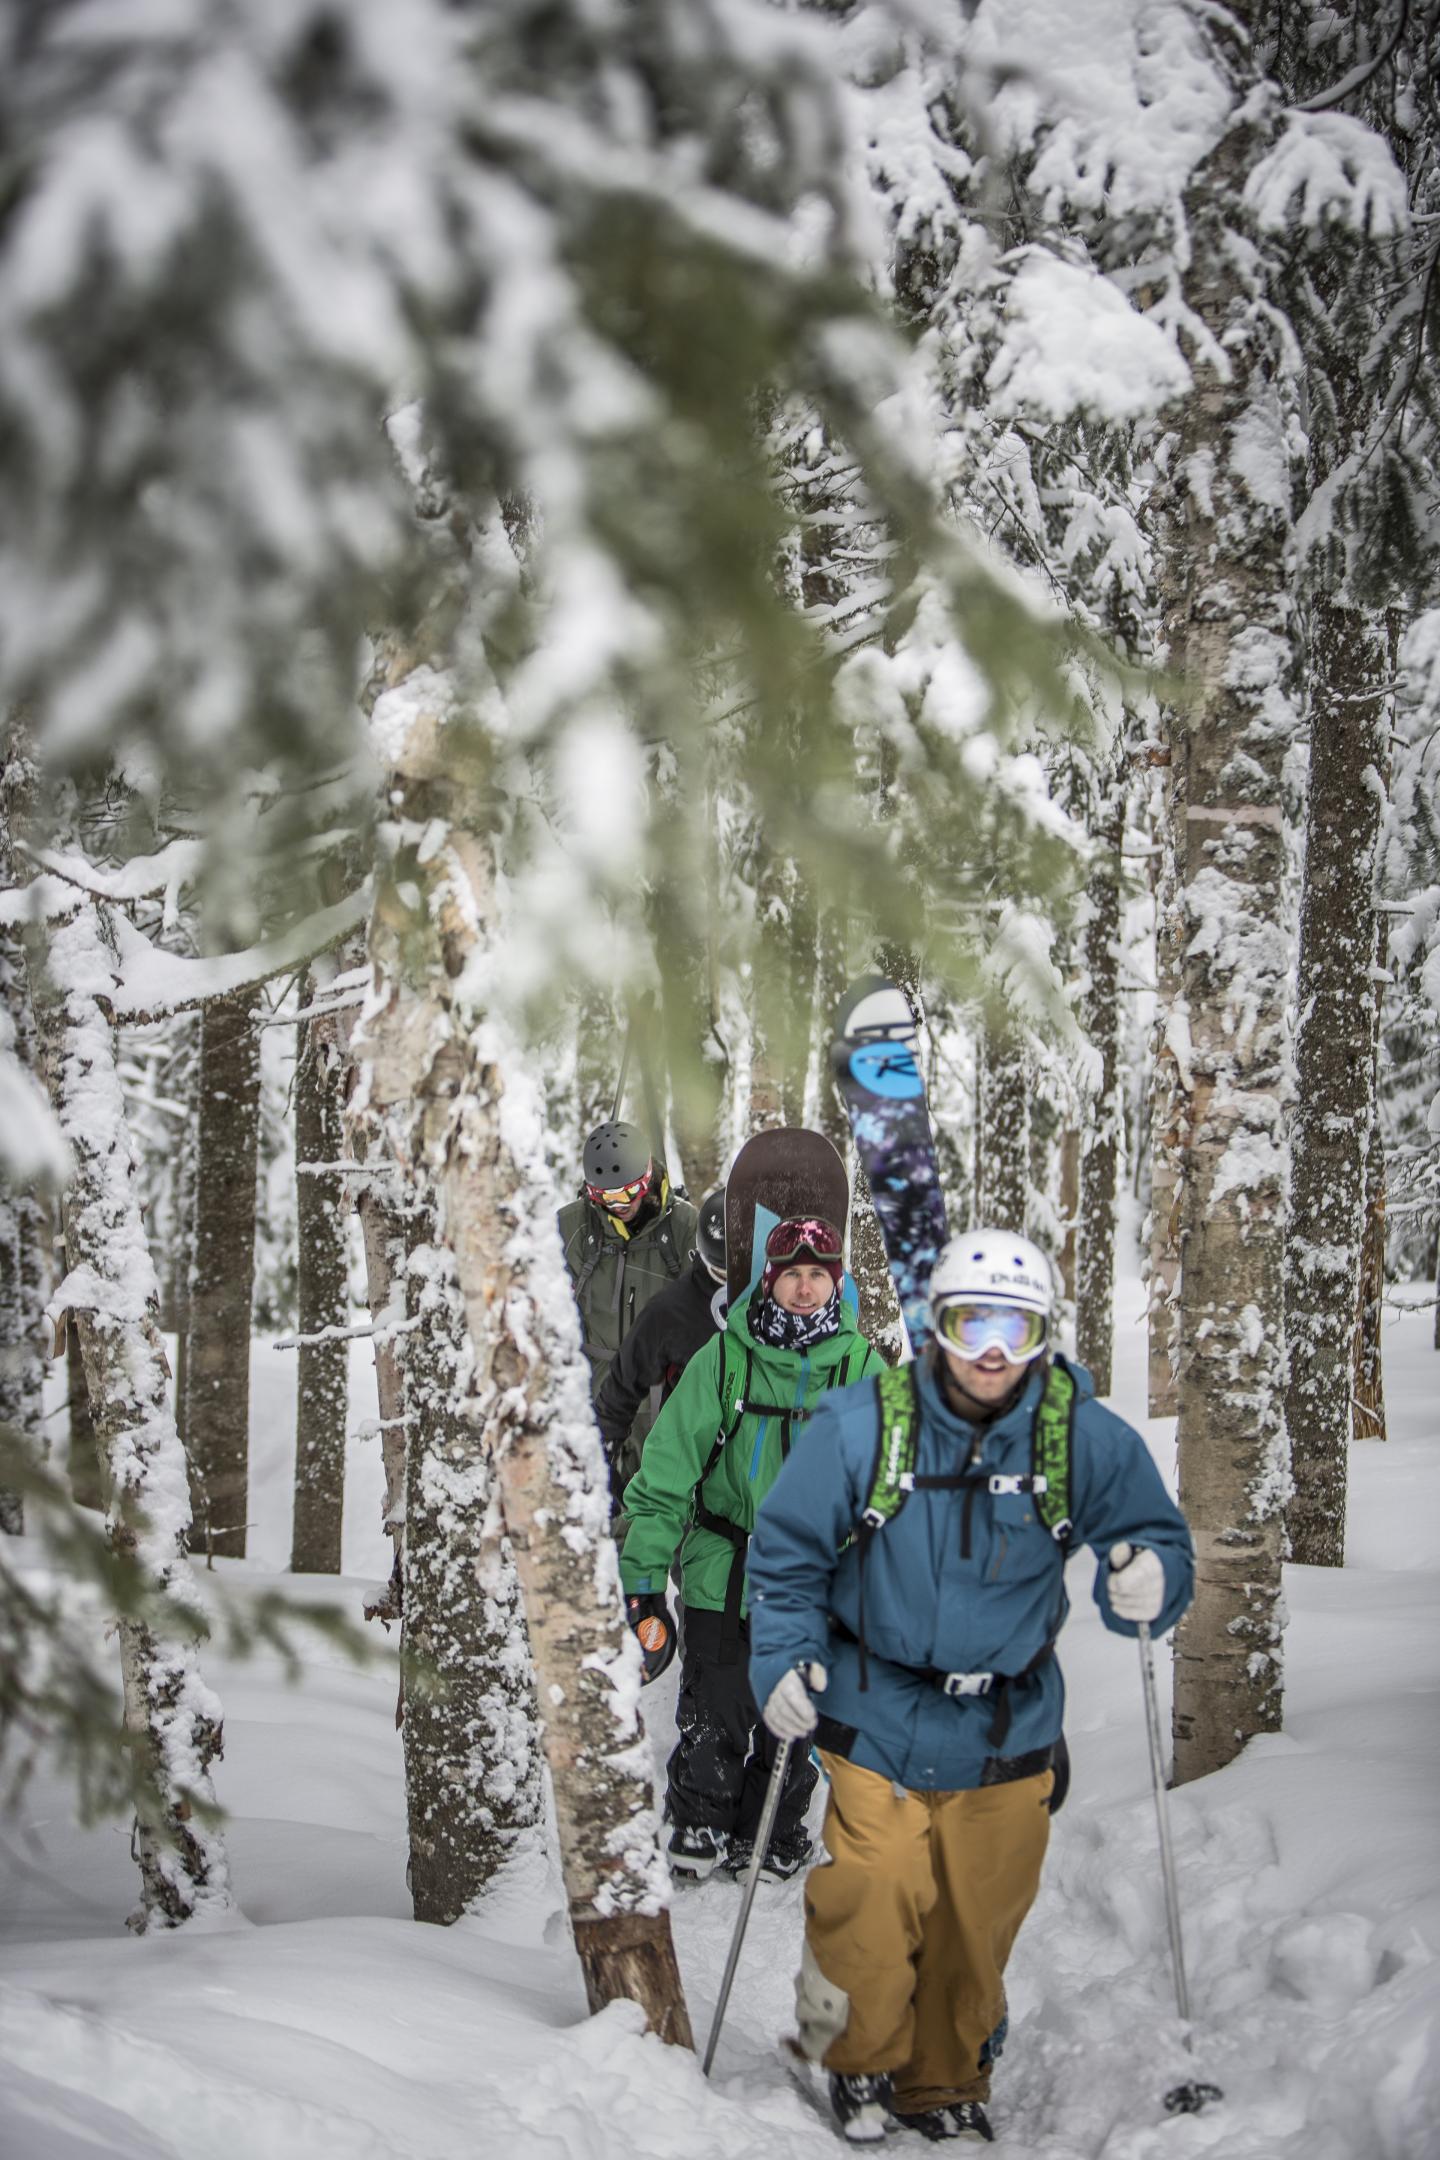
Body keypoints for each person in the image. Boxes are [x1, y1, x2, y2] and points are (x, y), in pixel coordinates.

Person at [745, 1229, 1194, 2145]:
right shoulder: (863, 1424)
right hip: (875, 1705)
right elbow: (785, 1557)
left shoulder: (1078, 1434)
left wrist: (1151, 1574)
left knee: (975, 1922)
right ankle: (854, 2059)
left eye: (1017, 1328)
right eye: (970, 1322)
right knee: (870, 1895)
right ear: (936, 1326)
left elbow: (1156, 1534)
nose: (993, 1350)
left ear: (1043, 1335)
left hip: (1009, 1720)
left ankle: (945, 2080)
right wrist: (781, 1659)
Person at [619, 1216, 885, 1883]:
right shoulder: (725, 1359)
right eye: (791, 1275)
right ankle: (699, 1820)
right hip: (725, 1564)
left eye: (817, 1276)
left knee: (793, 1717)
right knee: (717, 1705)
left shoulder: (861, 1368)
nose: (803, 1289)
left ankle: (773, 1831)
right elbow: (666, 1470)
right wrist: (645, 1576)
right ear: (769, 1281)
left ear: (836, 1282)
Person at [558, 1120, 698, 1497]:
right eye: (606, 1198)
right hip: (598, 1391)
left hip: (660, 1391)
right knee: (601, 1504)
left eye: (628, 1193)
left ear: (647, 1178)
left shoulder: (684, 1228)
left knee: (663, 1501)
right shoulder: (573, 1228)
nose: (619, 1207)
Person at [595, 1186, 728, 1491]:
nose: (730, 1279)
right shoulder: (672, 1310)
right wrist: (604, 1447)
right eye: (721, 1272)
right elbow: (625, 1378)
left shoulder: (775, 1294)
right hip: (693, 1456)